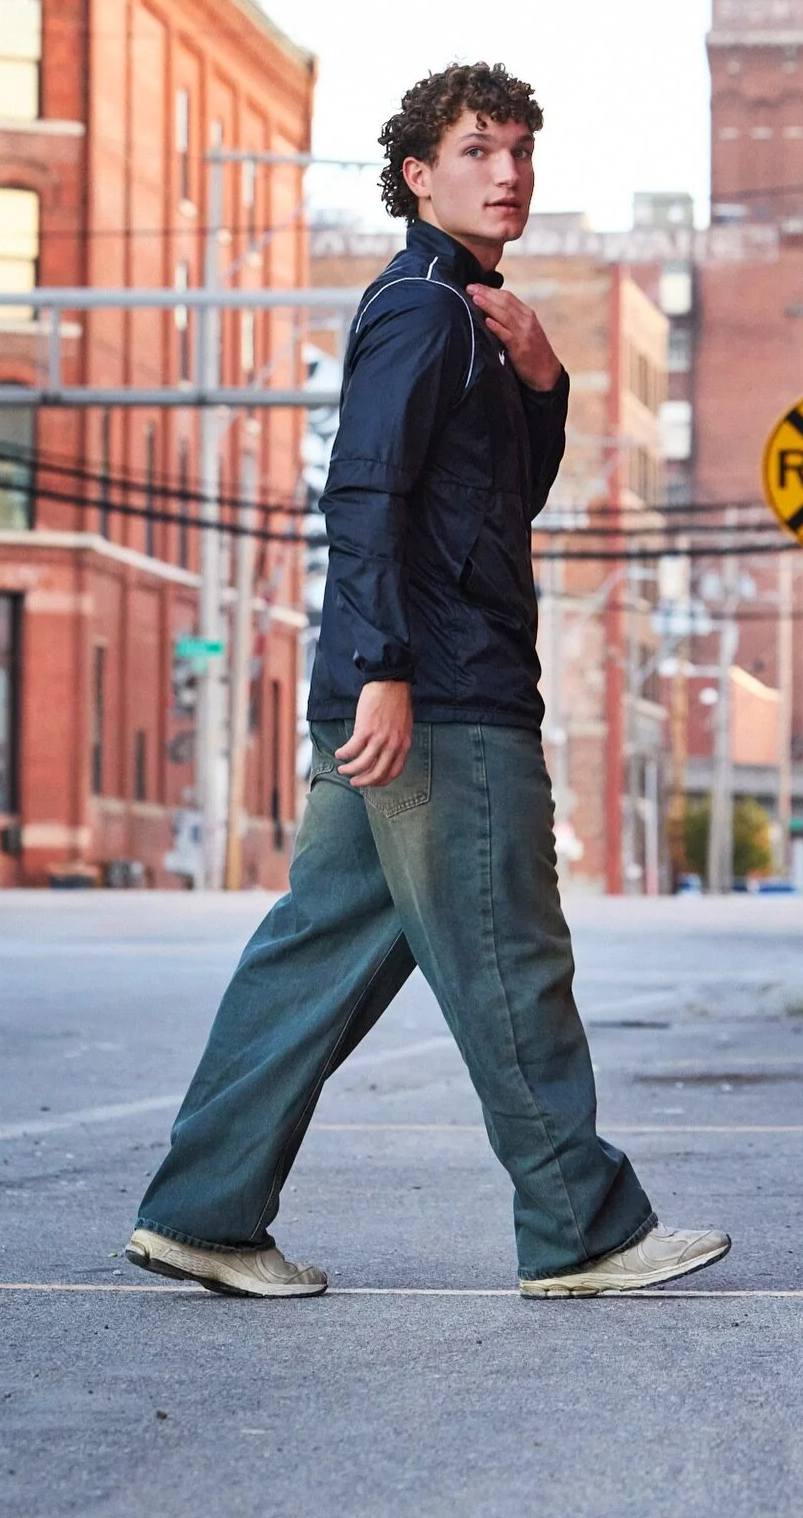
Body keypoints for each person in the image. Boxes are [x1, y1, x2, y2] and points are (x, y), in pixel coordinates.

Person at [127, 63, 729, 1299]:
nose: (507, 172)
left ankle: (205, 1212)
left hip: (418, 687)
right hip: (442, 699)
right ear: (418, 173)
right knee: (512, 956)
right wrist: (381, 673)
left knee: (315, 958)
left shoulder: (471, 317)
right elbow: (365, 495)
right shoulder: (422, 310)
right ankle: (584, 1232)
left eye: (520, 151)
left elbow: (492, 504)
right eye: (476, 150)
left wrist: (547, 385)